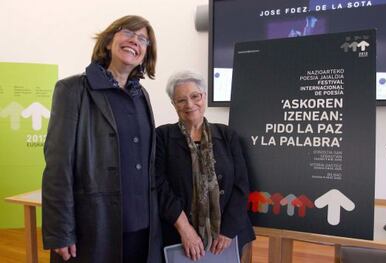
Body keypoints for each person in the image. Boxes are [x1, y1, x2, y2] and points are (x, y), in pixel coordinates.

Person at [42, 15, 162, 263]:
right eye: (128, 32)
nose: (135, 41)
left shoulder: (143, 96)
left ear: (145, 53)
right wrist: (60, 232)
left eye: (143, 39)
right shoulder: (72, 90)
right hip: (96, 228)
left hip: (143, 228)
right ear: (108, 41)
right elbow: (58, 166)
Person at [156, 70, 255, 262]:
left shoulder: (227, 135)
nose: (190, 104)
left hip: (229, 236)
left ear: (205, 97)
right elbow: (159, 186)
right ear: (173, 104)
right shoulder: (162, 137)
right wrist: (185, 229)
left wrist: (227, 230)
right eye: (181, 100)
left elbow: (241, 185)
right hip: (178, 236)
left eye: (195, 96)